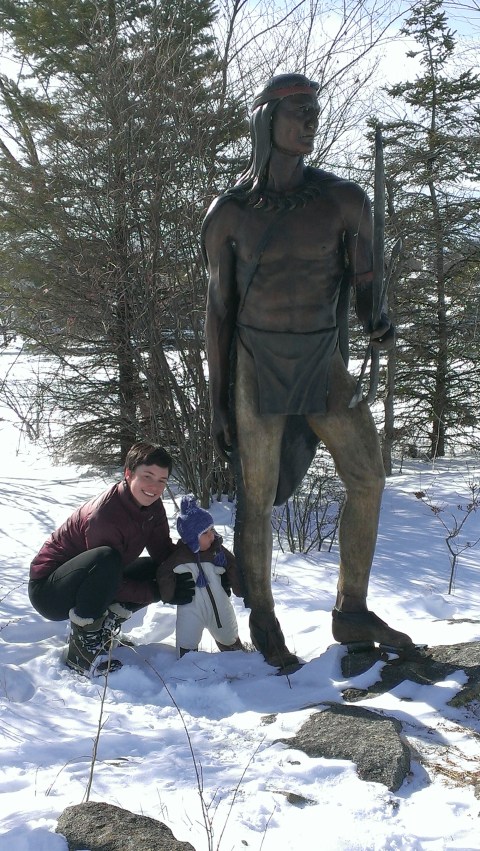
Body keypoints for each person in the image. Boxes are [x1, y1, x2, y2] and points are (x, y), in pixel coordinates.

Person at [202, 73, 414, 671]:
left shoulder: (344, 200)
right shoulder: (231, 213)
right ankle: (264, 618)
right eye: (299, 111)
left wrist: (377, 320)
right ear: (267, 120)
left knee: (367, 477)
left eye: (315, 110)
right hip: (256, 364)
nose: (311, 120)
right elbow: (218, 313)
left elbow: (367, 282)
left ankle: (352, 608)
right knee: (256, 495)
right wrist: (219, 400)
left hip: (324, 360)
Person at [28, 441, 195, 675]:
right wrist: (159, 592)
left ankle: (103, 630)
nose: (154, 487)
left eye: (162, 480)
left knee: (154, 569)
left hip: (93, 577)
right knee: (105, 559)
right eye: (147, 476)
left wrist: (198, 563)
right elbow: (108, 578)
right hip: (49, 591)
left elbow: (162, 554)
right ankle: (81, 652)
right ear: (128, 474)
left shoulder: (153, 507)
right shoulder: (105, 515)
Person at [157, 496, 244, 657]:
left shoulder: (217, 551)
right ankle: (188, 665)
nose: (211, 535)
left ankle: (237, 657)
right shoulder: (179, 557)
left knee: (228, 635)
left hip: (219, 607)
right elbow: (164, 573)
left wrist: (239, 589)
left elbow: (233, 566)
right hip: (191, 608)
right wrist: (170, 595)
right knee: (187, 640)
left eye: (212, 529)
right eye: (205, 532)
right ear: (191, 537)